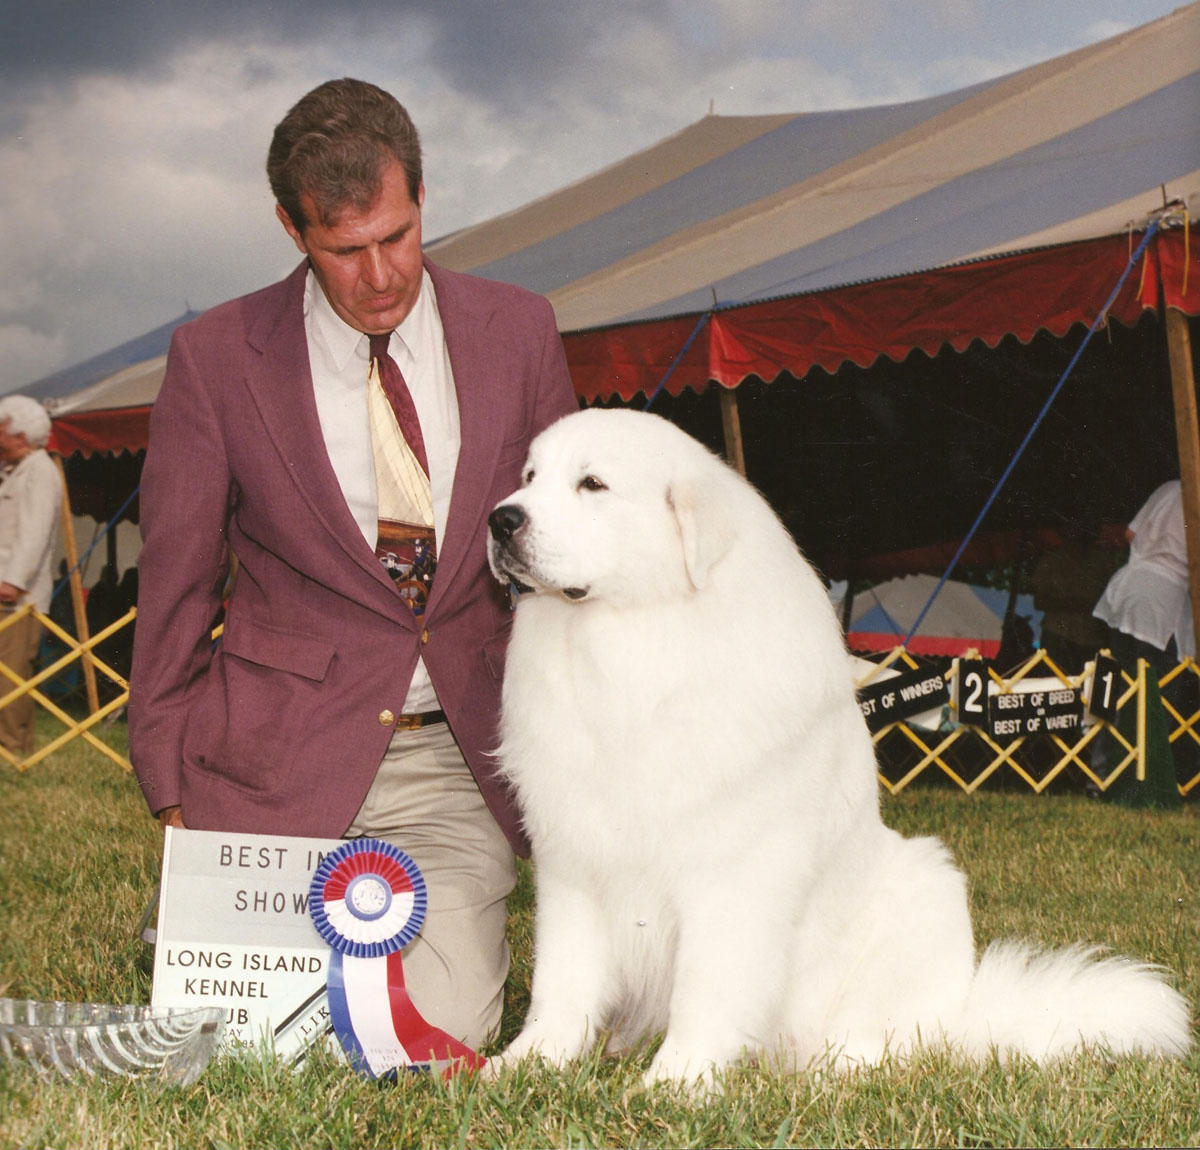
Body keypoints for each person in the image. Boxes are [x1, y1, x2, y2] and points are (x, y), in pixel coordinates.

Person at [129, 78, 578, 1049]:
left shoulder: (520, 330)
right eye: (345, 251)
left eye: (397, 236)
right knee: (231, 1040)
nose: (381, 276)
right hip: (273, 755)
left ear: (423, 200)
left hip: (454, 760)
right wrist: (167, 774)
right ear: (292, 231)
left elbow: (565, 552)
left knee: (433, 1040)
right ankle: (214, 925)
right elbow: (176, 579)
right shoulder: (214, 359)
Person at [0, 395, 63, 755]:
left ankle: (12, 748)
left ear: (20, 437)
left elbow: (35, 531)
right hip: (6, 594)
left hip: (17, 598)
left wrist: (14, 581)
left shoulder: (40, 471)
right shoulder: (15, 471)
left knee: (10, 676)